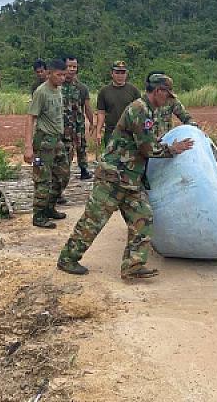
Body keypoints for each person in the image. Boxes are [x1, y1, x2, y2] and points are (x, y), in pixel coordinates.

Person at [57, 74, 194, 279]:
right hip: (113, 176)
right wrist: (173, 149)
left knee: (143, 216)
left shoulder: (149, 110)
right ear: (158, 91)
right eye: (167, 94)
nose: (168, 99)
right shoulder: (140, 110)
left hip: (130, 179)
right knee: (94, 220)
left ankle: (133, 266)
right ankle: (68, 259)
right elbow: (148, 148)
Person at [25, 59, 70, 228]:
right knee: (43, 179)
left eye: (64, 75)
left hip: (56, 140)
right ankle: (38, 215)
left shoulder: (58, 90)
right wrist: (28, 147)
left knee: (63, 175)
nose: (62, 78)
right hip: (43, 142)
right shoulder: (41, 92)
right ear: (49, 73)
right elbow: (30, 118)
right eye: (59, 75)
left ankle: (50, 207)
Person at [62, 57, 94, 182]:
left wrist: (92, 122)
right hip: (63, 125)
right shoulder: (58, 85)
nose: (71, 69)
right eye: (69, 66)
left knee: (81, 147)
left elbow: (87, 107)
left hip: (78, 124)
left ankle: (84, 169)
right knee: (65, 149)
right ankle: (64, 172)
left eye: (74, 67)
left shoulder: (82, 88)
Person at [95, 60, 140, 148]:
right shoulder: (104, 91)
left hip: (129, 133)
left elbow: (140, 112)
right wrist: (98, 132)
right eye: (117, 73)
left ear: (126, 74)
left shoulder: (133, 90)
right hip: (111, 131)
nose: (120, 76)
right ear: (112, 74)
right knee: (110, 159)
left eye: (123, 73)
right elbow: (101, 113)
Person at [145, 71, 197, 139]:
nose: (166, 95)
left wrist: (193, 127)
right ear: (156, 90)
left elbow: (185, 116)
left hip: (167, 141)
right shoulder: (142, 105)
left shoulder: (170, 100)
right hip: (150, 144)